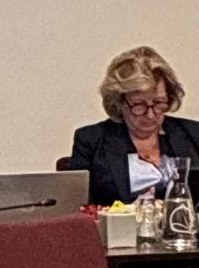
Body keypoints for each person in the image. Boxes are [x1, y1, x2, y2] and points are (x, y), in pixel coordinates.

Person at [71, 46, 199, 206]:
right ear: (119, 103)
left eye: (159, 103)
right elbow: (77, 205)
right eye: (139, 105)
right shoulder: (91, 140)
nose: (150, 115)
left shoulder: (193, 134)